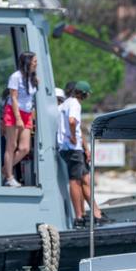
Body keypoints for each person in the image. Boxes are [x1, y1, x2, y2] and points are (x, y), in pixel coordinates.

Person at [58, 80, 106, 227]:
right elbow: (72, 122)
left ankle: (93, 214)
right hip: (72, 148)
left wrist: (85, 148)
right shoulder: (74, 103)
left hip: (73, 148)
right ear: (83, 93)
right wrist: (72, 137)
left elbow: (77, 128)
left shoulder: (64, 104)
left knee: (84, 179)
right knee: (75, 181)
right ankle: (79, 217)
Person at [3, 51, 38, 187]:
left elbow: (31, 98)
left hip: (27, 112)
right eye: (34, 61)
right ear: (27, 62)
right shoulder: (15, 77)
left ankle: (5, 169)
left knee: (24, 148)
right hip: (14, 111)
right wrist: (18, 118)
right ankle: (9, 177)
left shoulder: (32, 77)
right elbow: (13, 98)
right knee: (11, 145)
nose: (36, 64)